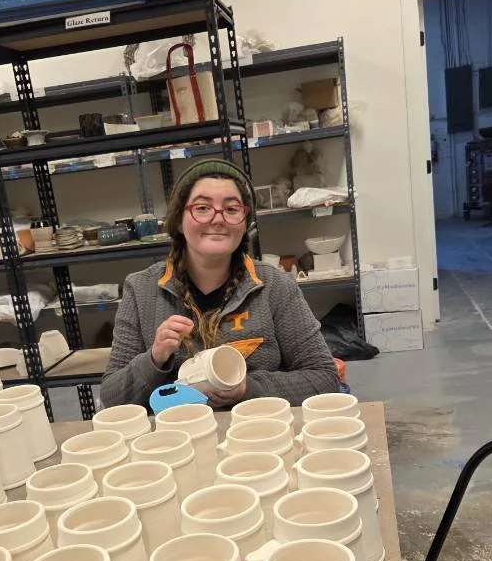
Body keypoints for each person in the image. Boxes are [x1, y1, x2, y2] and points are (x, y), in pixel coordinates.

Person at [100, 159, 340, 409]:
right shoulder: (141, 290)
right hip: (175, 439)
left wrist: (251, 388)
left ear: (245, 222)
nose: (218, 219)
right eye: (202, 208)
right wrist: (154, 359)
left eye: (231, 209)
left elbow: (324, 377)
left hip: (258, 434)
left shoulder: (274, 286)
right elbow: (112, 398)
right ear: (179, 220)